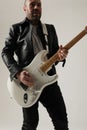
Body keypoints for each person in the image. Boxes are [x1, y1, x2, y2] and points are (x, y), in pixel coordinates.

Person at [1, 0, 69, 130]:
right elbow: (5, 52)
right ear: (25, 8)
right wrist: (18, 72)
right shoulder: (16, 29)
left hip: (49, 82)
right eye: (32, 4)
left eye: (39, 4)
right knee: (30, 124)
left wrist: (61, 57)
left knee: (62, 122)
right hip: (28, 83)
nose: (36, 7)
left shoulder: (50, 29)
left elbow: (55, 54)